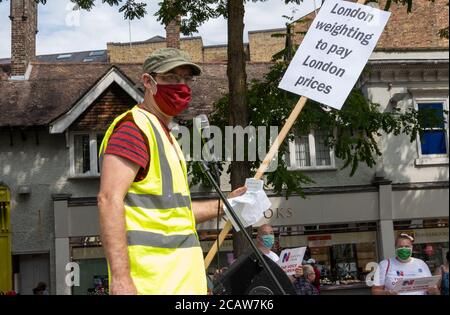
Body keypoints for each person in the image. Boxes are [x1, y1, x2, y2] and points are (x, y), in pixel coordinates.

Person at [98, 48, 247, 295]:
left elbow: (175, 213)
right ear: (148, 82)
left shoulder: (166, 136)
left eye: (186, 79)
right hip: (151, 284)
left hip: (179, 285)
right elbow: (108, 199)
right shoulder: (133, 129)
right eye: (171, 78)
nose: (181, 86)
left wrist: (228, 205)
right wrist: (121, 279)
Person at [372, 233, 438, 295]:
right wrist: (387, 293)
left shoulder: (421, 263)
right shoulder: (384, 265)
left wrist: (434, 290)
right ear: (395, 248)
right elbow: (375, 291)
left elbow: (431, 288)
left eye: (407, 246)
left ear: (411, 247)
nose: (404, 249)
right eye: (400, 246)